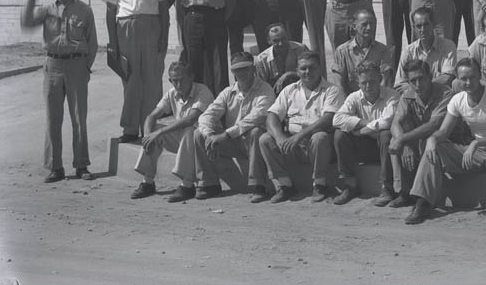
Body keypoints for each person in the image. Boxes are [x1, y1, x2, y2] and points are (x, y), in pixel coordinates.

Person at [406, 58, 486, 225]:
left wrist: (476, 144)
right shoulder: (458, 99)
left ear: (480, 76)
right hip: (473, 154)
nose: (468, 82)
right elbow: (444, 131)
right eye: (463, 79)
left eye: (472, 77)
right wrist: (432, 139)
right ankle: (422, 202)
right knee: (434, 146)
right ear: (457, 80)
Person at [21, 0, 98, 182]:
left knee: (78, 119)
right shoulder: (46, 10)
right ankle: (55, 167)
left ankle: (81, 165)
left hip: (76, 66)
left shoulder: (84, 10)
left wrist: (86, 68)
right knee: (52, 119)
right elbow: (26, 23)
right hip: (53, 67)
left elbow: (92, 44)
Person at [102, 0, 173, 143]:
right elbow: (110, 11)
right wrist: (113, 43)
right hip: (126, 27)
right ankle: (131, 128)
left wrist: (164, 36)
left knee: (151, 78)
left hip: (152, 26)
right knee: (131, 79)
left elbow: (163, 8)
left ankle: (149, 126)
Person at [258, 51, 344, 204]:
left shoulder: (332, 90)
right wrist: (279, 138)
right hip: (292, 146)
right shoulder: (289, 90)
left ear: (320, 69)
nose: (307, 72)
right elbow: (272, 116)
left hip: (318, 146)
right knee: (265, 139)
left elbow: (328, 119)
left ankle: (319, 184)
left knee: (320, 137)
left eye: (312, 67)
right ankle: (285, 185)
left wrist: (299, 136)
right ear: (297, 71)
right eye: (303, 68)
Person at [193, 52, 275, 201]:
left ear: (253, 68)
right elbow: (207, 115)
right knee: (199, 133)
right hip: (233, 141)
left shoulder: (265, 89)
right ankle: (209, 183)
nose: (241, 73)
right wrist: (210, 135)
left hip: (253, 143)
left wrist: (224, 135)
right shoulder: (228, 92)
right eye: (236, 70)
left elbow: (255, 118)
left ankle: (258, 185)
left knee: (256, 131)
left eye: (245, 68)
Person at [130, 61, 214, 202]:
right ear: (170, 80)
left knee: (190, 130)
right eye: (175, 81)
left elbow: (190, 119)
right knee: (153, 131)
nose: (179, 85)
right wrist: (148, 136)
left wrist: (159, 132)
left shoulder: (202, 91)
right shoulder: (172, 93)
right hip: (183, 139)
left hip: (202, 141)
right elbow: (152, 116)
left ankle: (187, 185)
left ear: (191, 77)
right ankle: (147, 182)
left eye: (182, 80)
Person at [331, 61, 399, 205]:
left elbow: (387, 121)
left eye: (372, 81)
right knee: (340, 134)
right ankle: (350, 186)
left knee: (386, 134)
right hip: (363, 146)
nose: (368, 86)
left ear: (380, 79)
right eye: (364, 82)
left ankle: (387, 188)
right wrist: (365, 124)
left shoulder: (392, 95)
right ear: (358, 83)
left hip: (384, 147)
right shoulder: (354, 97)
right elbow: (337, 119)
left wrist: (361, 130)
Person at [388, 59, 454, 208]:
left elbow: (434, 125)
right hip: (419, 139)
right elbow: (395, 122)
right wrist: (402, 143)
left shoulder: (445, 93)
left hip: (445, 140)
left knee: (426, 141)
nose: (418, 85)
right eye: (413, 81)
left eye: (421, 78)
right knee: (394, 139)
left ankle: (422, 199)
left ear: (430, 76)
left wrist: (403, 139)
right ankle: (403, 192)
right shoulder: (407, 94)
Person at [330, 8, 394, 96]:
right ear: (354, 26)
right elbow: (338, 84)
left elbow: (385, 81)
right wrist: (347, 104)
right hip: (349, 100)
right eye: (364, 24)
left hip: (377, 99)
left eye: (372, 24)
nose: (369, 28)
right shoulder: (342, 51)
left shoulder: (383, 50)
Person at [393, 7, 457, 92]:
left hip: (439, 95)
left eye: (426, 25)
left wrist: (419, 86)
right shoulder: (408, 51)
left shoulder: (448, 46)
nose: (422, 30)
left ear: (433, 25)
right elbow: (399, 84)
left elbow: (447, 78)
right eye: (419, 26)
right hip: (415, 98)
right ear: (414, 28)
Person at [253, 23, 308, 94]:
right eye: (276, 41)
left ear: (288, 36)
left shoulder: (301, 49)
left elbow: (311, 73)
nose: (281, 43)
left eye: (283, 39)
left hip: (300, 90)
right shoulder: (261, 60)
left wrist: (289, 75)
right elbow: (261, 87)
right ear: (269, 41)